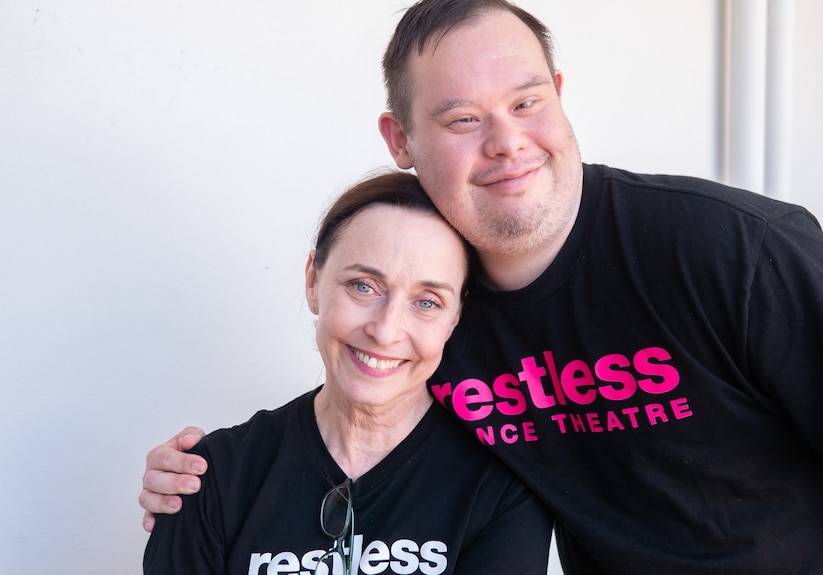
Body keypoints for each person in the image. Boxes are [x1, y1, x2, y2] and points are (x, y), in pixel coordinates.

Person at [141, 0, 823, 572]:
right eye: (462, 119)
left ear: (558, 94)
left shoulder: (734, 250)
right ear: (400, 141)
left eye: (525, 103)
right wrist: (205, 477)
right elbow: (348, 426)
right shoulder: (433, 311)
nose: (507, 142)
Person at [142, 171, 553, 574]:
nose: (386, 331)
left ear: (456, 317)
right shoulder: (210, 476)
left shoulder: (502, 488)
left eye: (427, 302)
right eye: (363, 286)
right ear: (313, 281)